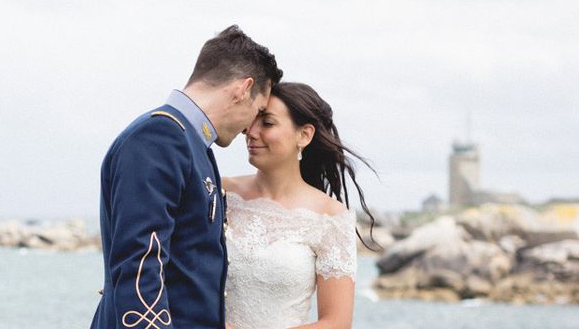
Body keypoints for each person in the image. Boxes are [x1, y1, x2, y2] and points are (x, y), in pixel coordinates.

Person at [91, 25, 283, 329]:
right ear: (243, 89)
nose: (250, 127)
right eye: (257, 110)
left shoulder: (191, 144)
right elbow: (141, 268)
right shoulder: (159, 137)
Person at [223, 82, 377, 329]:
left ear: (304, 135)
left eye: (267, 123)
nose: (250, 131)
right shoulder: (221, 193)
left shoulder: (331, 217)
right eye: (252, 120)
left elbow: (336, 323)